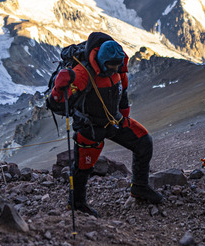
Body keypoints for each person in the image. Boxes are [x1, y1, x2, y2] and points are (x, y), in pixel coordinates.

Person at [51, 32, 163, 217]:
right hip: (89, 127)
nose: (115, 69)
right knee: (83, 167)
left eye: (117, 66)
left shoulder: (118, 67)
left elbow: (123, 93)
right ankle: (77, 204)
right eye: (111, 66)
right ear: (102, 61)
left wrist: (125, 116)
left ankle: (140, 187)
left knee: (144, 141)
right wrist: (58, 87)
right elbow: (55, 103)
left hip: (114, 120)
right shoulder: (81, 74)